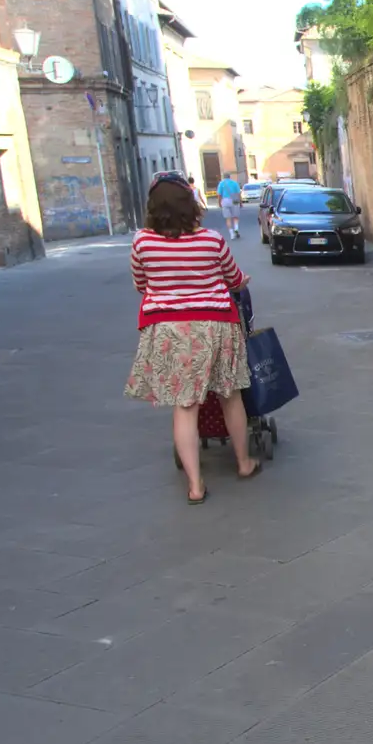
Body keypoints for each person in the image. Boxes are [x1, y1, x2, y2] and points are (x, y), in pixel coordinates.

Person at [125, 170, 261, 503]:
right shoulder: (211, 239)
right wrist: (243, 281)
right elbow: (233, 278)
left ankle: (196, 485)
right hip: (215, 324)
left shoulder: (142, 241)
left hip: (169, 329)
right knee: (230, 395)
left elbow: (141, 284)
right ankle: (243, 463)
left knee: (185, 406)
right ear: (190, 203)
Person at [215, 171, 242, 238]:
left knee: (228, 218)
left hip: (225, 200)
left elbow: (219, 195)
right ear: (230, 176)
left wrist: (219, 203)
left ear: (223, 177)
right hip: (234, 199)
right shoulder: (234, 183)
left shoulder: (221, 183)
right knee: (235, 217)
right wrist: (240, 202)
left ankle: (231, 234)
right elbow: (239, 194)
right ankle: (236, 229)